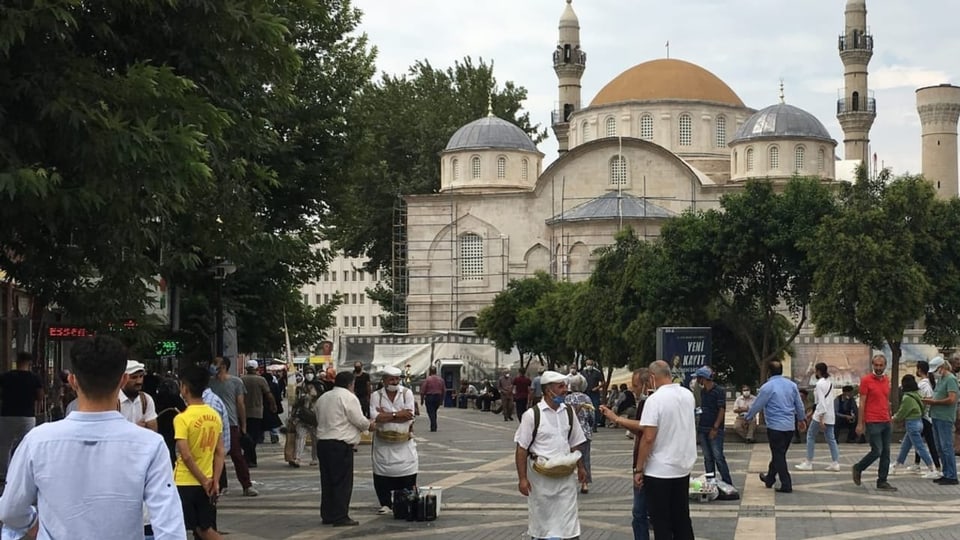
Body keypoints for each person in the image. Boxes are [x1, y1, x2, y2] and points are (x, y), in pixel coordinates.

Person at [0, 336, 184, 539]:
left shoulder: (38, 441)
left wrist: (34, 522)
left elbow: (10, 511)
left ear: (72, 381)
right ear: (122, 379)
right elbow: (170, 526)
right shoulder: (150, 445)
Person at [514, 370, 587, 540]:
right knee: (542, 520)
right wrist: (522, 479)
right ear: (548, 390)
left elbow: (575, 442)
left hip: (565, 477)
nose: (565, 390)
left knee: (569, 521)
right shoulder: (532, 415)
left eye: (565, 386)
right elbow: (522, 449)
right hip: (541, 479)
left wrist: (581, 467)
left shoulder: (568, 412)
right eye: (560, 387)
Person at [634, 360, 696, 539]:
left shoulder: (654, 400)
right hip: (682, 466)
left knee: (661, 521)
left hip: (659, 470)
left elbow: (648, 437)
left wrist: (639, 468)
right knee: (682, 518)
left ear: (652, 378)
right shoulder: (687, 395)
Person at [315, 371, 377, 526]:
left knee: (327, 480)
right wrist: (370, 425)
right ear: (351, 384)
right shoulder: (348, 397)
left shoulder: (323, 397)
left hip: (323, 443)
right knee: (342, 482)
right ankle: (340, 516)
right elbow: (358, 420)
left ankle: (328, 514)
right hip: (339, 444)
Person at [175, 364, 226, 539]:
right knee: (204, 527)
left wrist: (204, 480)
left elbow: (186, 455)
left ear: (184, 387)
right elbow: (220, 451)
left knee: (200, 529)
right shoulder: (214, 415)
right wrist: (215, 480)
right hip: (209, 479)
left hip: (185, 481)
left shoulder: (182, 418)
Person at [600, 369, 651, 540]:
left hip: (648, 465)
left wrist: (616, 419)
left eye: (635, 385)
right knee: (640, 513)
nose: (633, 390)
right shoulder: (643, 403)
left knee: (641, 513)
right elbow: (639, 430)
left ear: (646, 384)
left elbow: (646, 431)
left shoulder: (651, 403)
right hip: (642, 463)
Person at [745, 360, 806, 493]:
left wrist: (748, 417)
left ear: (768, 372)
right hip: (789, 427)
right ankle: (770, 479)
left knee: (778, 455)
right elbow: (799, 404)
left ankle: (786, 484)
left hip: (775, 427)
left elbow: (757, 405)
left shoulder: (767, 387)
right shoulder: (791, 385)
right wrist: (801, 419)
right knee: (779, 454)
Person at [369, 366, 419, 515]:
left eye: (397, 378)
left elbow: (409, 415)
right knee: (381, 474)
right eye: (391, 378)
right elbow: (375, 417)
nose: (395, 381)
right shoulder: (375, 395)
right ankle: (385, 503)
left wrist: (388, 415)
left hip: (404, 443)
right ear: (384, 380)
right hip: (383, 443)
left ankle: (405, 501)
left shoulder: (406, 393)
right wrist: (398, 414)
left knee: (407, 471)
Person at [208, 357, 258, 496]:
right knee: (216, 455)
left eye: (215, 363)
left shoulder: (236, 382)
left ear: (223, 366)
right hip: (212, 423)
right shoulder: (210, 383)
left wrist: (243, 425)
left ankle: (246, 485)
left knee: (236, 454)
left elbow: (240, 404)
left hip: (230, 423)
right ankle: (221, 485)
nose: (213, 365)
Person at [852, 354, 896, 491]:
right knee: (877, 450)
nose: (878, 368)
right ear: (873, 365)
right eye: (876, 365)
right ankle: (858, 467)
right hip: (872, 420)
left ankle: (882, 481)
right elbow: (862, 403)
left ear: (885, 366)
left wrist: (890, 416)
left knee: (886, 453)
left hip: (885, 420)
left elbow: (886, 400)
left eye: (880, 365)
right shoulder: (866, 381)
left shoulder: (886, 380)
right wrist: (860, 423)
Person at [0, 352, 43, 489]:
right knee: (26, 446)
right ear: (30, 363)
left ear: (16, 361)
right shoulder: (34, 378)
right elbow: (40, 396)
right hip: (27, 417)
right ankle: (22, 474)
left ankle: (3, 475)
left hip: (7, 415)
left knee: (4, 447)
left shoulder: (5, 377)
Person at [891, 374, 940, 479]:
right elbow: (923, 407)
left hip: (911, 424)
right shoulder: (917, 394)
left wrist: (894, 418)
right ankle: (896, 465)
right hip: (919, 422)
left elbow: (902, 412)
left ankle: (932, 469)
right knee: (905, 445)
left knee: (920, 447)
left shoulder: (907, 397)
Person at [796, 362, 840, 472]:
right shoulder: (829, 382)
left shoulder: (820, 384)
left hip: (821, 415)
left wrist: (820, 419)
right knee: (831, 439)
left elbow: (821, 403)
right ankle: (835, 462)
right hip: (830, 415)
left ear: (819, 371)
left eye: (815, 370)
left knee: (810, 435)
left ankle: (808, 462)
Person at [922, 355, 959, 485]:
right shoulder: (942, 379)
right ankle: (946, 472)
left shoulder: (950, 379)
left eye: (936, 370)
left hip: (945, 418)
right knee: (940, 447)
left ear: (942, 367)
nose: (935, 373)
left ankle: (952, 475)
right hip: (936, 417)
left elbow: (952, 399)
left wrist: (934, 402)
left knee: (946, 447)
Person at [693, 366, 732, 485]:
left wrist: (715, 427)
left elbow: (721, 410)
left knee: (718, 456)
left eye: (698, 378)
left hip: (715, 429)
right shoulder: (702, 392)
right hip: (703, 428)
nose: (697, 381)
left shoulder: (719, 391)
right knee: (707, 458)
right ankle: (711, 482)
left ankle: (727, 482)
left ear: (703, 378)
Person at [240, 359, 276, 468]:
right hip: (257, 412)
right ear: (256, 369)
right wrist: (273, 405)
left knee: (245, 435)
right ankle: (251, 458)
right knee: (254, 437)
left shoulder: (241, 380)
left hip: (242, 412)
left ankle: (248, 457)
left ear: (246, 369)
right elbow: (268, 394)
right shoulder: (261, 380)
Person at [287, 366, 323, 467]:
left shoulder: (320, 386)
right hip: (302, 416)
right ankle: (297, 458)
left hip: (315, 417)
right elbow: (295, 402)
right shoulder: (300, 386)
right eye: (307, 372)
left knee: (315, 439)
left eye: (311, 372)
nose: (309, 374)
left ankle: (315, 458)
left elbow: (324, 400)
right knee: (300, 437)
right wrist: (292, 415)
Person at [565, 375, 596, 494]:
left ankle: (568, 482)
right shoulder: (586, 398)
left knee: (569, 459)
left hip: (569, 432)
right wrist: (591, 426)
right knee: (585, 458)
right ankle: (584, 484)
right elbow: (592, 416)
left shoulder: (567, 398)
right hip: (584, 432)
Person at [914, 360, 941, 474]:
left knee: (926, 443)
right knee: (918, 441)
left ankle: (936, 467)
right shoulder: (929, 383)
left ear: (919, 370)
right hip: (926, 417)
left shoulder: (923, 385)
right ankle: (917, 464)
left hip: (924, 417)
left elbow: (927, 399)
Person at [118, 361, 159, 431]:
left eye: (141, 376)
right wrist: (135, 428)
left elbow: (153, 431)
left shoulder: (146, 399)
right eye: (134, 377)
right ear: (124, 379)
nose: (139, 381)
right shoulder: (114, 401)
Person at [420, 366, 445, 432]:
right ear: (436, 371)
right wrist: (442, 400)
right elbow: (444, 390)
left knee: (430, 412)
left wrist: (422, 400)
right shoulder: (441, 379)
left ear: (430, 372)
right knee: (434, 411)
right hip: (438, 397)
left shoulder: (428, 379)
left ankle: (433, 425)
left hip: (430, 397)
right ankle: (433, 424)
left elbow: (422, 391)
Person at [582, 359, 605, 427]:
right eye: (588, 364)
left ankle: (595, 424)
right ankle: (587, 423)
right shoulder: (583, 373)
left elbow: (603, 382)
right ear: (586, 365)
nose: (589, 366)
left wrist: (597, 387)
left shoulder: (597, 373)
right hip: (586, 392)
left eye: (590, 364)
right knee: (586, 408)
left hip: (594, 393)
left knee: (595, 408)